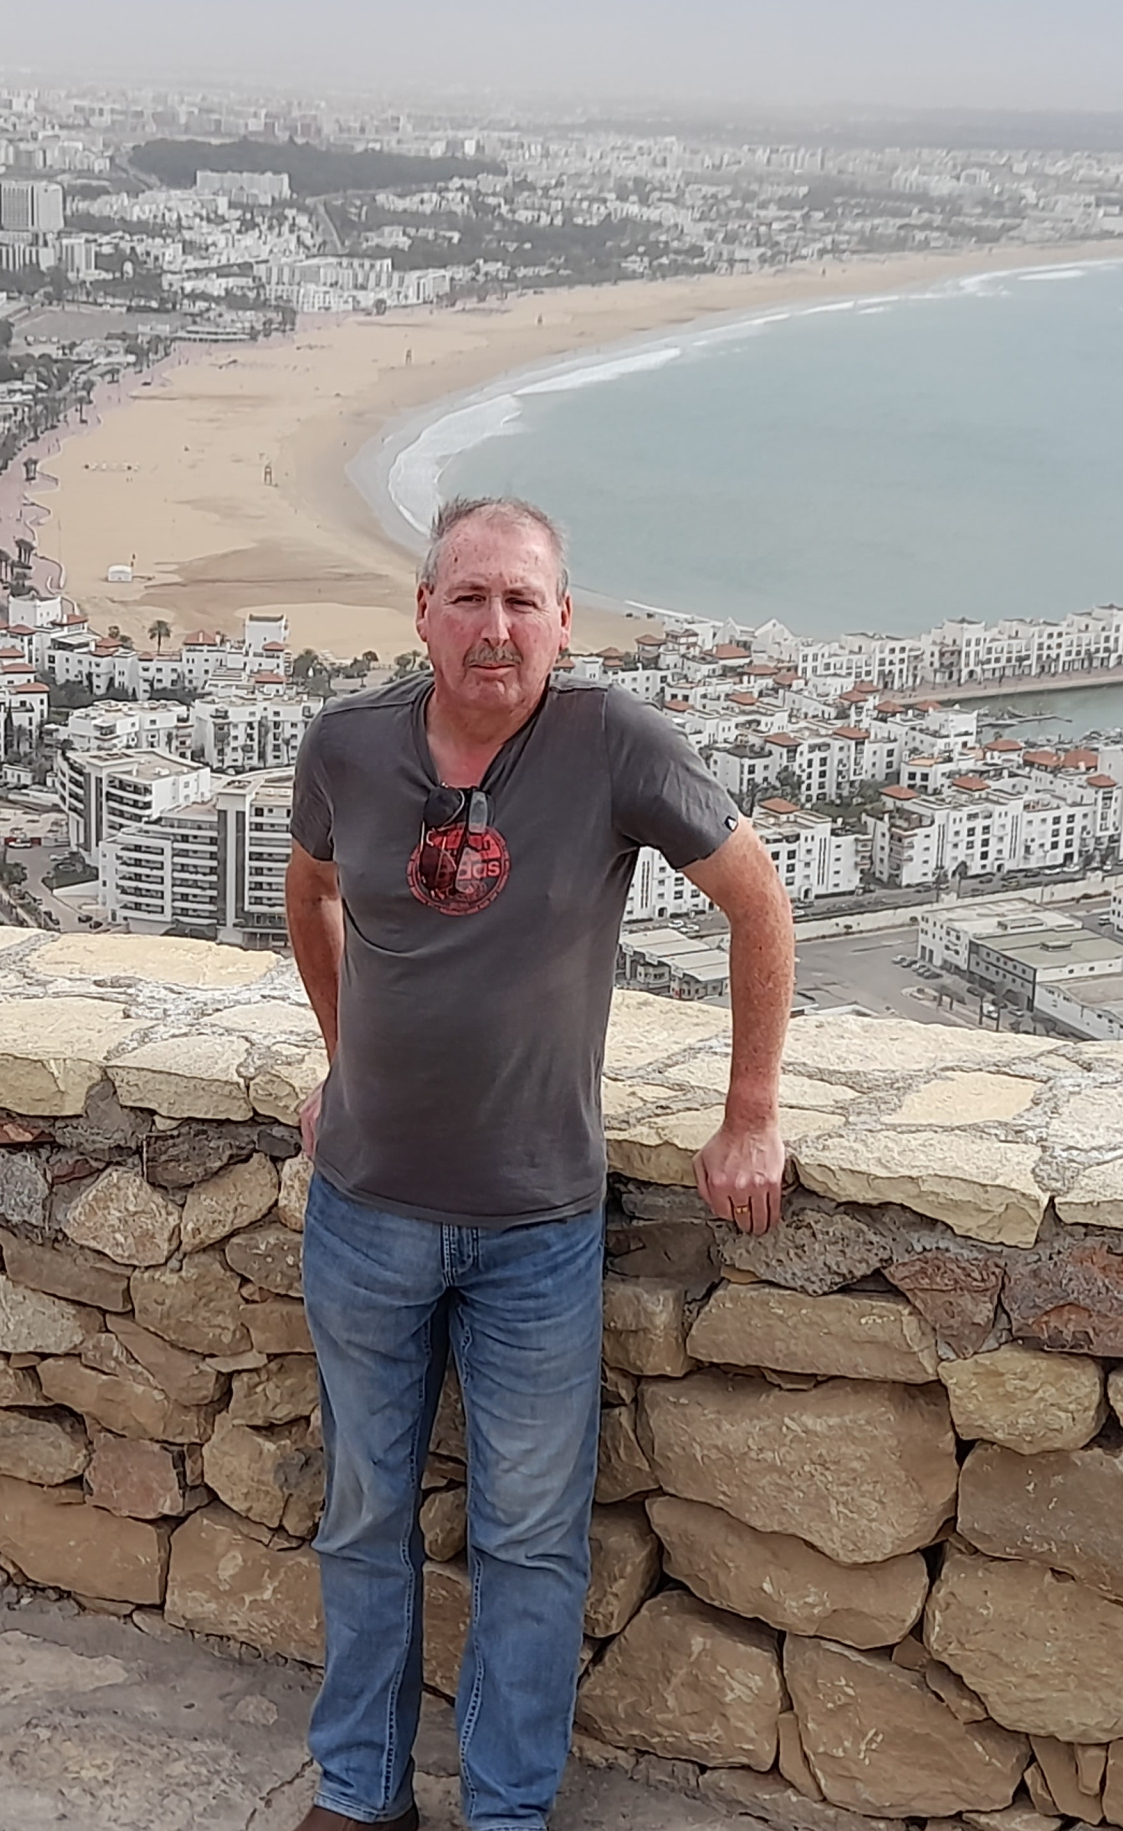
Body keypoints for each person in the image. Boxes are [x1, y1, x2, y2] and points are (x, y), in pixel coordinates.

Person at [284, 495, 794, 1831]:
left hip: (536, 1229)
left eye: (523, 601)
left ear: (564, 621)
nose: (496, 627)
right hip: (365, 1212)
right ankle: (359, 1793)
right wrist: (345, 1059)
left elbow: (757, 902)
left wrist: (749, 1112)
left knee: (528, 1542)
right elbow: (310, 890)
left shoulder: (614, 744)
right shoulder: (347, 745)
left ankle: (506, 1812)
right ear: (424, 613)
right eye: (470, 597)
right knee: (361, 1518)